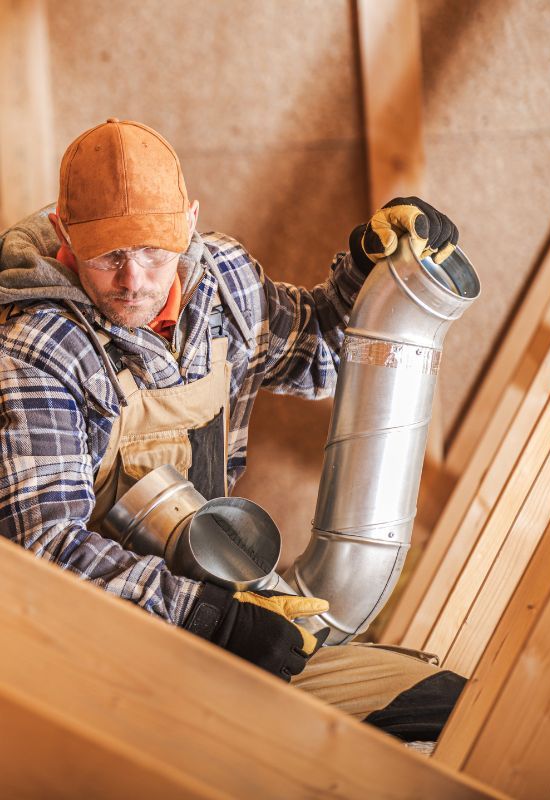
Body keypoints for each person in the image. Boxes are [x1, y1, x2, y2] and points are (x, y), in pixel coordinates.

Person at [0, 118, 463, 744]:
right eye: (108, 256)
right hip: (101, 653)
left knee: (444, 710)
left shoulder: (223, 283)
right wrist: (205, 617)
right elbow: (44, 550)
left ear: (189, 221)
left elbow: (318, 353)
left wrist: (368, 271)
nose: (133, 280)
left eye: (153, 250)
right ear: (64, 233)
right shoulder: (35, 348)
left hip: (223, 600)